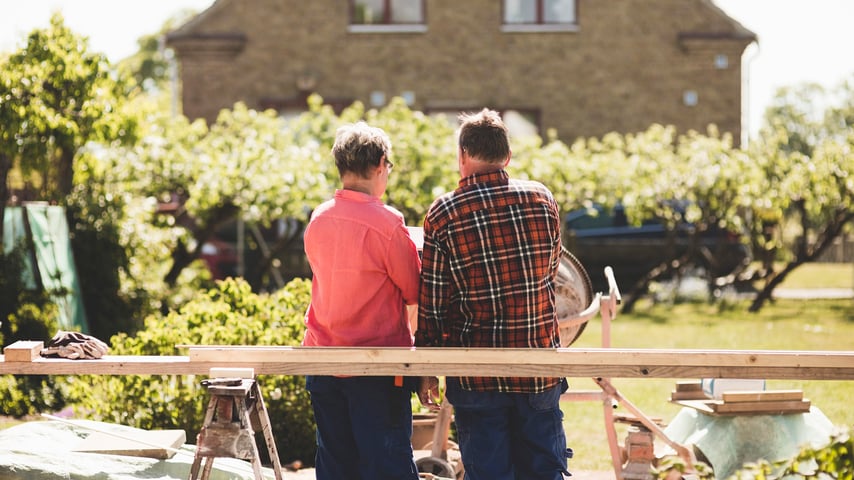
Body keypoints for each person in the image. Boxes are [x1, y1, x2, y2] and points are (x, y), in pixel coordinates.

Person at [416, 108, 571, 479]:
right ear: (508, 157)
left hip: (476, 375)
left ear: (463, 156)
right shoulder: (541, 199)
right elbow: (550, 273)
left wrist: (427, 369)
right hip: (538, 368)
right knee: (545, 472)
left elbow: (434, 305)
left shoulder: (444, 214)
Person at [302, 121, 424, 480]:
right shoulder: (388, 224)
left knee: (336, 464)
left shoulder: (319, 218)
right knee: (387, 464)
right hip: (376, 365)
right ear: (380, 164)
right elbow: (414, 289)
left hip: (323, 359)